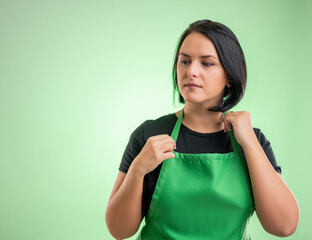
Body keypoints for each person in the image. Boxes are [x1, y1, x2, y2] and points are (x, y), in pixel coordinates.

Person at [105, 19, 299, 240]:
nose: (191, 71)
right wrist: (138, 169)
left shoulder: (251, 141)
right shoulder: (149, 135)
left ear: (229, 76)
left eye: (206, 63)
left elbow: (284, 226)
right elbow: (119, 230)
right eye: (184, 61)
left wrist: (251, 143)